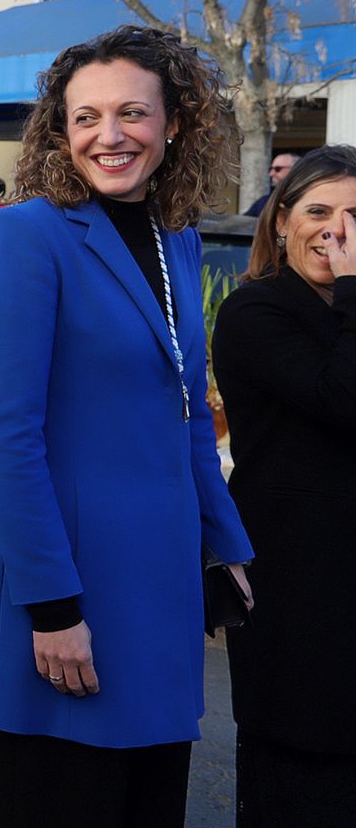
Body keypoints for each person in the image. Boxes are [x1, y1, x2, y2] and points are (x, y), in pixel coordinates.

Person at [0, 25, 254, 828]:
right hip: (65, 585)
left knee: (145, 802)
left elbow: (188, 408)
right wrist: (53, 606)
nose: (108, 134)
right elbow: (8, 436)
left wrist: (224, 542)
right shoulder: (24, 235)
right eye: (85, 116)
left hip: (156, 589)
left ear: (173, 124)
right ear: (60, 130)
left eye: (132, 112)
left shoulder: (178, 239)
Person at [211, 145, 356, 826]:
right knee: (301, 772)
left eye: (355, 215)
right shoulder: (256, 312)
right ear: (280, 222)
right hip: (298, 581)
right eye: (320, 211)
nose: (337, 229)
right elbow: (341, 397)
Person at [243, 150, 302, 216]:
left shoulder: (306, 197)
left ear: (295, 169)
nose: (271, 174)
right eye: (270, 169)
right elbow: (244, 222)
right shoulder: (264, 202)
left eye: (277, 169)